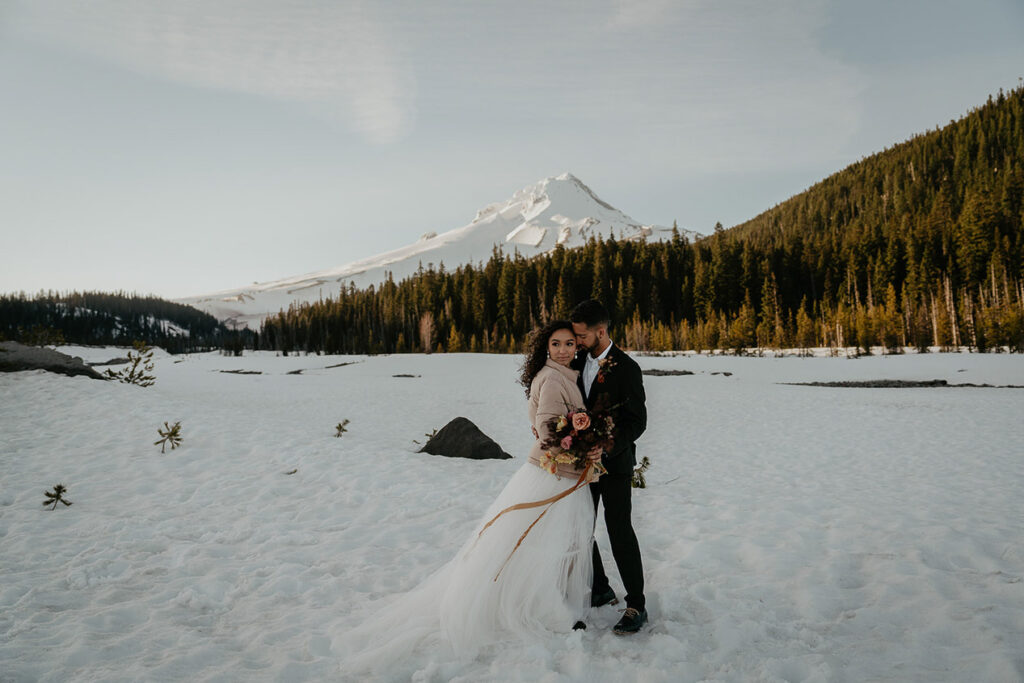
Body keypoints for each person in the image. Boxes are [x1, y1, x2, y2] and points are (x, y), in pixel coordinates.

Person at [338, 320, 602, 674]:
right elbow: (546, 428)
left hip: (561, 470)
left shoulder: (564, 374)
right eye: (556, 344)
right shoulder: (553, 377)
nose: (564, 350)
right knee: (549, 539)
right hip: (553, 473)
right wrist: (579, 446)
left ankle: (555, 599)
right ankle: (548, 605)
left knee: (555, 538)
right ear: (547, 347)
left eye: (569, 344)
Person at [570, 298, 649, 635]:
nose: (577, 341)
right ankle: (600, 588)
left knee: (619, 531)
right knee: (580, 529)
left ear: (601, 332)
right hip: (578, 465)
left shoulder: (627, 367)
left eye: (582, 336)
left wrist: (606, 447)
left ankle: (637, 604)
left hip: (614, 464)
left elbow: (637, 421)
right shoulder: (575, 362)